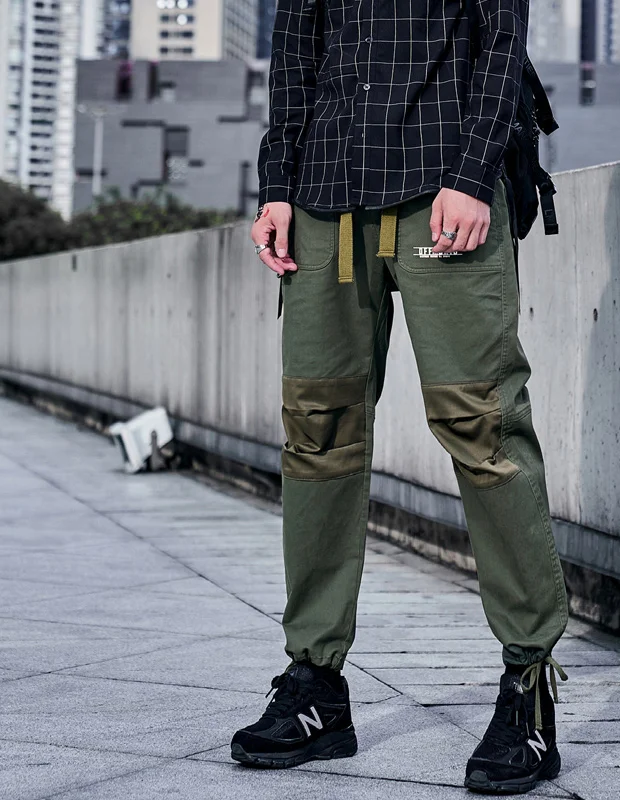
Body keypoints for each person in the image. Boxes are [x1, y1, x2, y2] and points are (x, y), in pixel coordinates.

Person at [230, 0, 570, 792]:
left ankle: (528, 682)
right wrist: (277, 185)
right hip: (325, 192)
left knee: (482, 426)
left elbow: (500, 42)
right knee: (317, 430)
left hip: (443, 183)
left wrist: (474, 172)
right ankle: (316, 685)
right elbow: (295, 57)